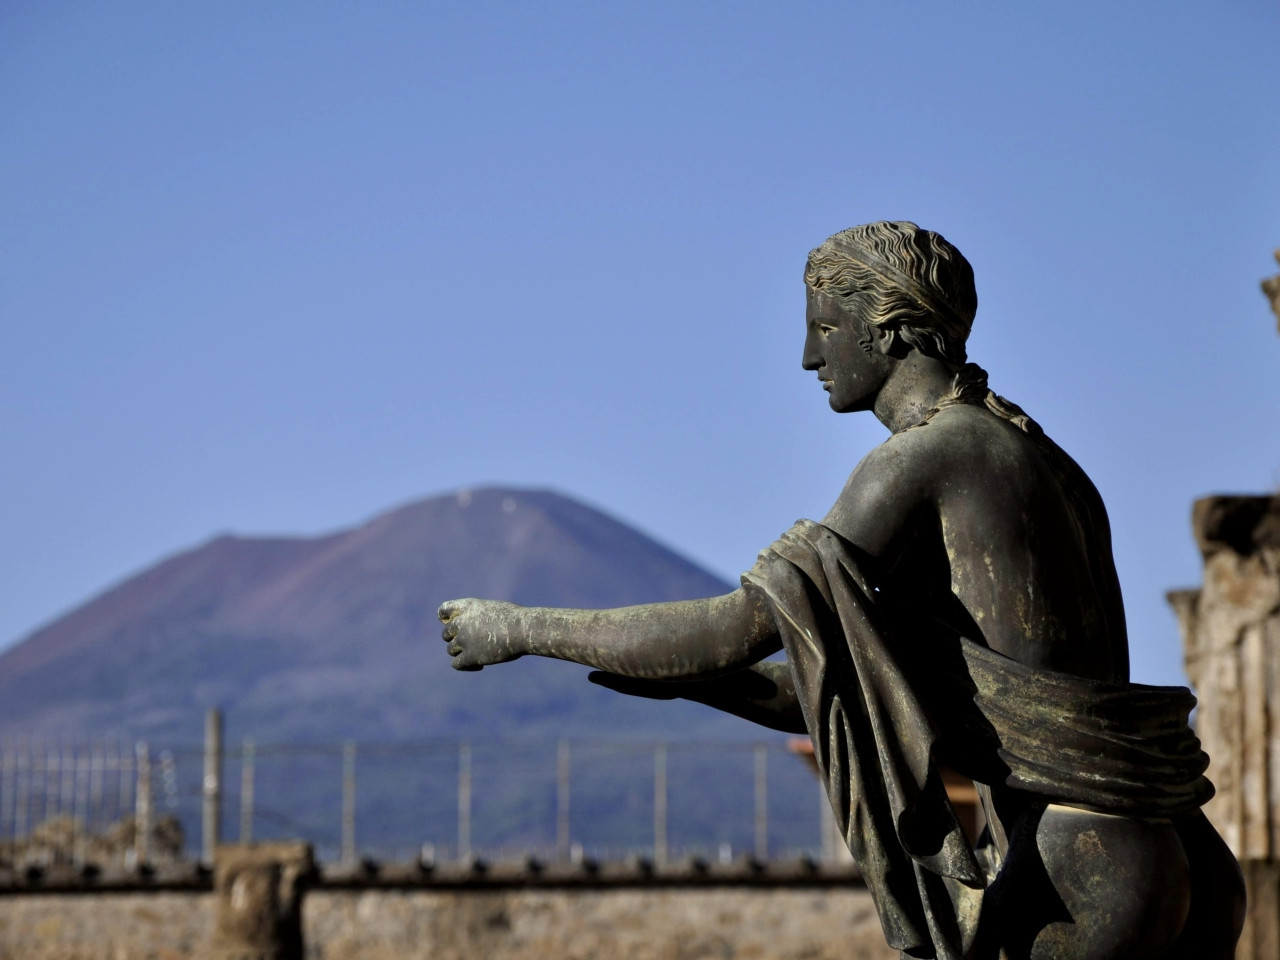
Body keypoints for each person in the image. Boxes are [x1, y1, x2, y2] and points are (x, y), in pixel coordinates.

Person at [438, 221, 1243, 960]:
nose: (808, 358)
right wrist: (695, 685)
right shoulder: (1043, 459)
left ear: (889, 328)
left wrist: (520, 628)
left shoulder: (926, 457)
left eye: (824, 328)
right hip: (1173, 852)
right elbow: (863, 695)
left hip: (1081, 865)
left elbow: (740, 626)